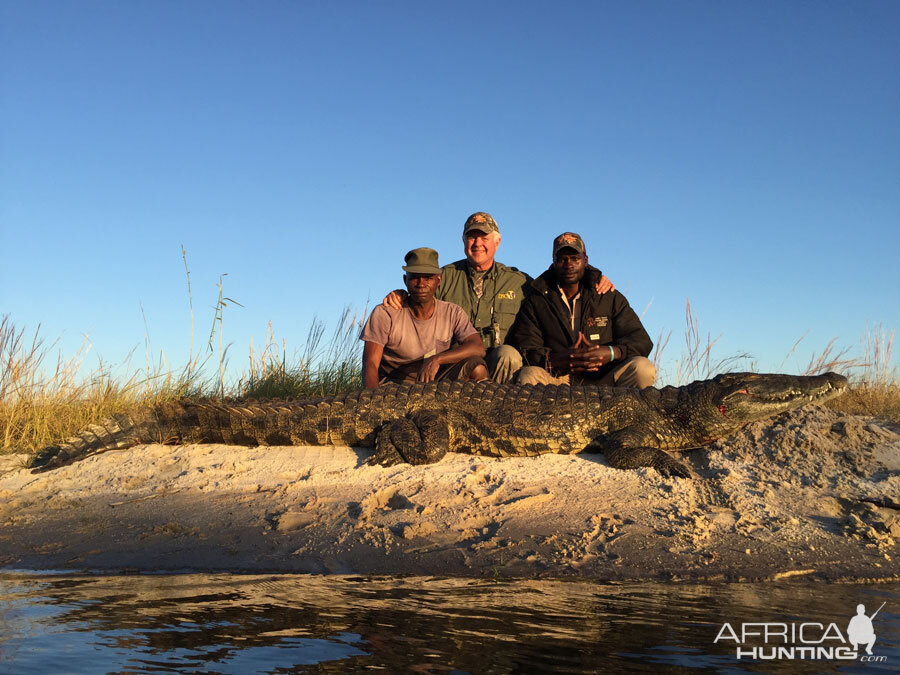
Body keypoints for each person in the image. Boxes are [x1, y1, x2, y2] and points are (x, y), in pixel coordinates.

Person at [383, 212, 613, 382]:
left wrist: (594, 277)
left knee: (508, 354)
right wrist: (400, 294)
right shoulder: (446, 276)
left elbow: (557, 281)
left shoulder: (518, 280)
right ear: (464, 242)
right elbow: (420, 291)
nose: (477, 243)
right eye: (471, 237)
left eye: (484, 237)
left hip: (500, 364)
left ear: (497, 241)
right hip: (458, 360)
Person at [507, 232, 656, 388]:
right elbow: (526, 347)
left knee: (643, 368)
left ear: (585, 261)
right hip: (557, 381)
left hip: (604, 381)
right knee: (528, 375)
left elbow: (641, 340)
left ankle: (629, 412)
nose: (568, 265)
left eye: (575, 259)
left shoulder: (607, 295)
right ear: (553, 262)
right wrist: (556, 359)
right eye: (562, 259)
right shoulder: (537, 300)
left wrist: (612, 353)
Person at [361, 247, 488, 388]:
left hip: (434, 378)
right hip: (394, 384)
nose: (421, 284)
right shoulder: (385, 313)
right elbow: (370, 363)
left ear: (438, 280)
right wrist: (373, 401)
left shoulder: (452, 312)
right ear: (405, 280)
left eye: (428, 278)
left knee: (477, 368)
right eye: (414, 277)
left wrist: (437, 359)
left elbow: (478, 347)